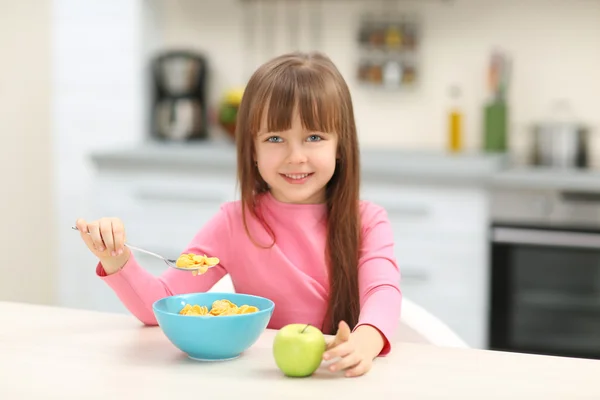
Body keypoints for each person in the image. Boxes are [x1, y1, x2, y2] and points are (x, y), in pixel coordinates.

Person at [76, 51, 401, 377]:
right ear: (253, 150)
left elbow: (382, 292)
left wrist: (365, 340)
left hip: (337, 379)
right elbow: (160, 305)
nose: (296, 156)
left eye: (314, 137)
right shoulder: (234, 223)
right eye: (275, 138)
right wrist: (116, 259)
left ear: (340, 145)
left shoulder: (368, 221)